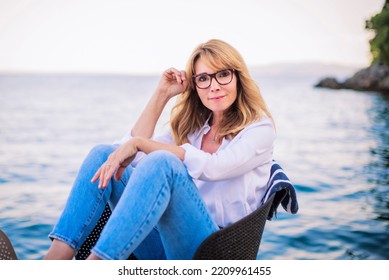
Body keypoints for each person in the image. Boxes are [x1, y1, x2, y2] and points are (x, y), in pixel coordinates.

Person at [44, 39, 276, 260]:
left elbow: (215, 167)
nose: (214, 86)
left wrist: (140, 145)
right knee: (104, 154)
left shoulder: (259, 129)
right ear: (195, 86)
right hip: (166, 244)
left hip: (215, 251)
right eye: (204, 78)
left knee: (163, 162)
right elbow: (129, 152)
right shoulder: (194, 130)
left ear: (238, 77)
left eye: (223, 75)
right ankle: (53, 262)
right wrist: (162, 94)